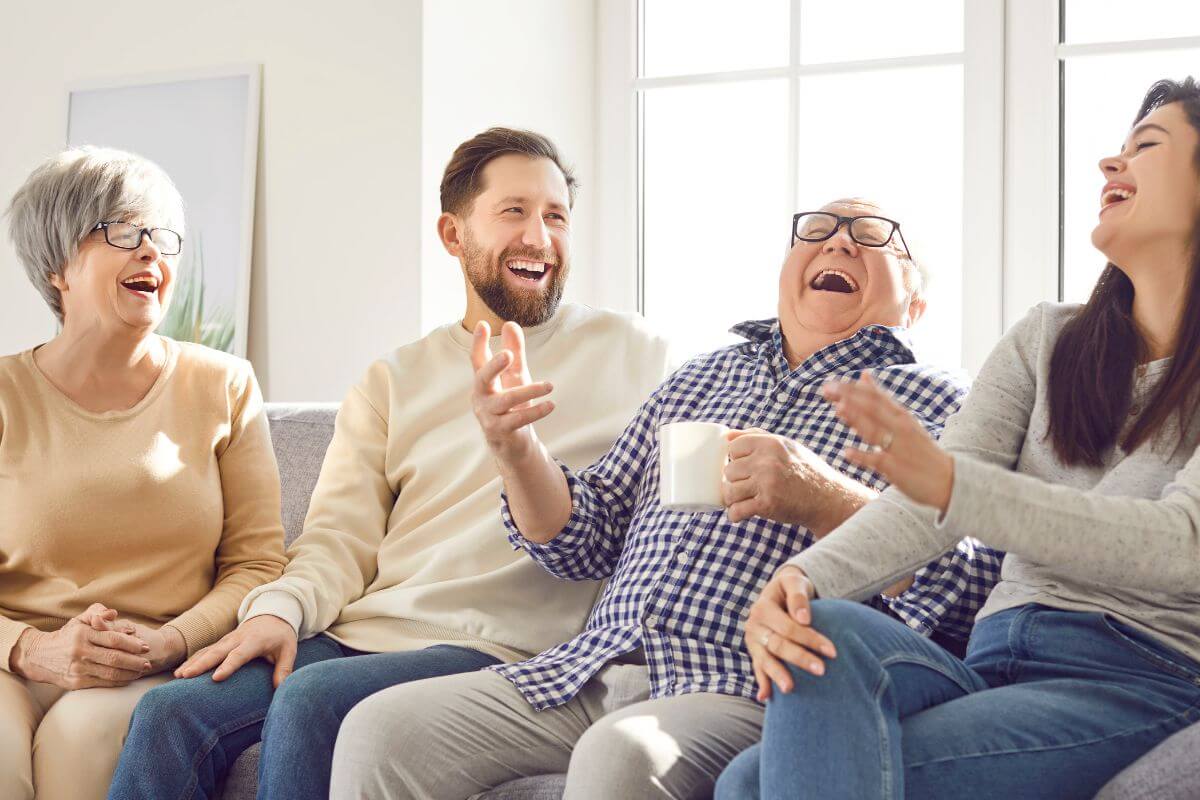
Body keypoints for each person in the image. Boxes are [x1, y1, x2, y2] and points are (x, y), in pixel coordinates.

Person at [328, 198, 1002, 799]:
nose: (840, 242)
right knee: (381, 730)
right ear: (784, 272)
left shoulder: (941, 399)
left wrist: (820, 496)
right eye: (819, 229)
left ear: (914, 303)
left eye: (875, 236)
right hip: (589, 668)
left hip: (741, 685)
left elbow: (966, 583)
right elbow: (583, 537)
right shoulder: (700, 377)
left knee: (623, 757)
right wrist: (517, 450)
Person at [107, 127, 673, 800]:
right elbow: (339, 539)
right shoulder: (395, 377)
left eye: (556, 217)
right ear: (453, 234)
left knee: (314, 701)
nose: (540, 236)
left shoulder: (636, 354)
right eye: (514, 211)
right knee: (167, 714)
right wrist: (278, 613)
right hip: (362, 635)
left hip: (504, 648)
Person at [716, 76, 1200, 800]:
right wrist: (800, 581)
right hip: (994, 661)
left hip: (1136, 676)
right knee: (821, 636)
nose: (1110, 164)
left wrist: (955, 487)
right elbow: (927, 506)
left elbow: (1180, 544)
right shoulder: (1047, 338)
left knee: (757, 785)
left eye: (1147, 147)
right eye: (1118, 147)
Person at [0, 147, 286, 800]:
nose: (151, 251)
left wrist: (170, 641)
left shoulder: (225, 384)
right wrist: (30, 649)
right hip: (13, 658)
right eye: (123, 232)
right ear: (56, 267)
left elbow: (259, 563)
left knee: (83, 742)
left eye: (163, 235)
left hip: (148, 666)